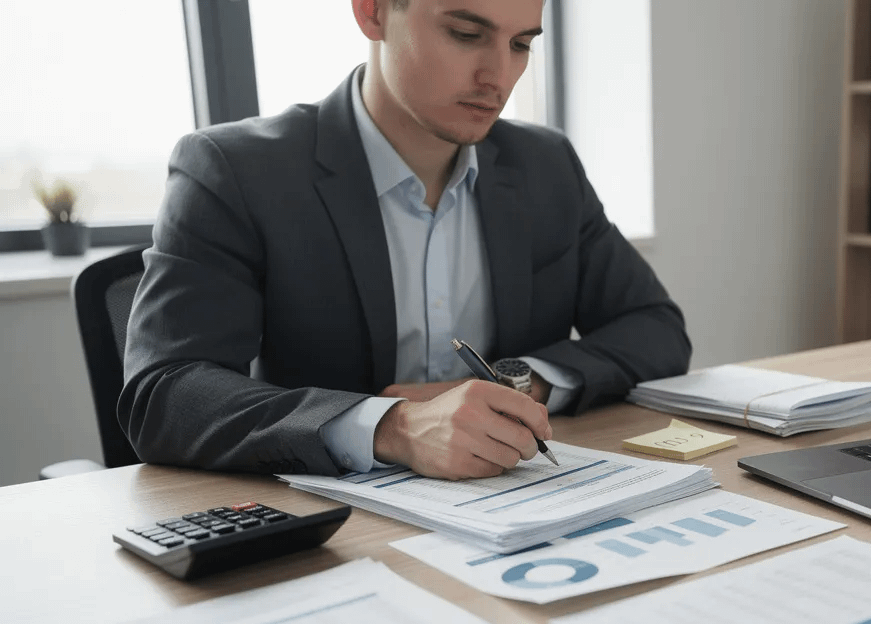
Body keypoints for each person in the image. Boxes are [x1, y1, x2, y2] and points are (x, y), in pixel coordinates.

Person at [119, 0, 690, 481]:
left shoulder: (545, 166)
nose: (498, 77)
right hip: (332, 529)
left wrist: (523, 382)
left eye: (521, 44)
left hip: (512, 500)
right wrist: (392, 425)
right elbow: (163, 395)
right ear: (372, 12)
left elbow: (654, 327)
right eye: (466, 34)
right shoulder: (236, 170)